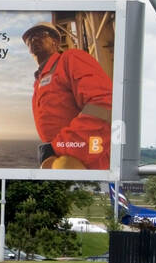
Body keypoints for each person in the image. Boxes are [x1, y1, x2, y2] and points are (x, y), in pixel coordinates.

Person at [21, 22, 113, 169]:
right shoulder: (39, 81)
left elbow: (103, 105)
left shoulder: (71, 59)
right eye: (29, 39)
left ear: (56, 42)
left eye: (41, 35)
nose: (33, 39)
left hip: (91, 161)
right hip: (62, 158)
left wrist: (61, 146)